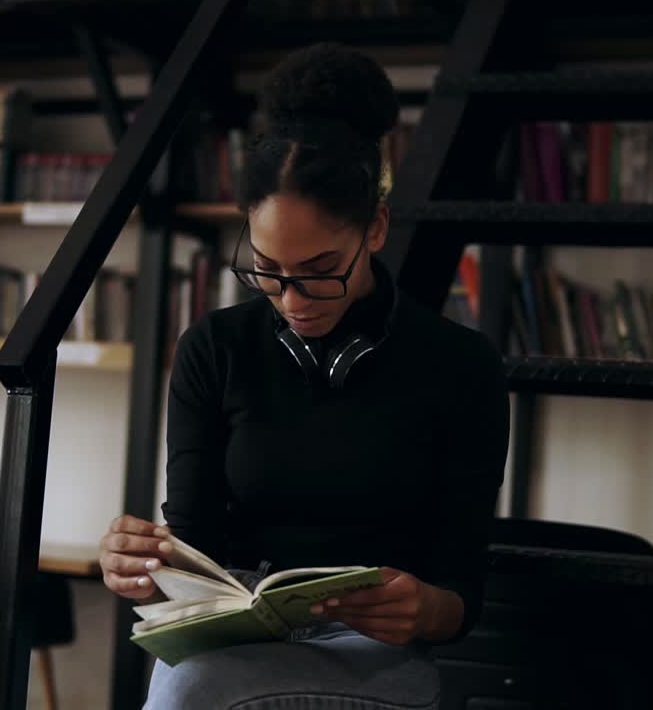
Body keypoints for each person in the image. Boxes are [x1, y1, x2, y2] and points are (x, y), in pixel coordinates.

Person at [99, 42, 510, 709]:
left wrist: (423, 609)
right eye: (267, 270)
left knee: (192, 694)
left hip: (372, 653)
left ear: (374, 229)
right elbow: (194, 543)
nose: (291, 300)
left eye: (320, 271)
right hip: (236, 638)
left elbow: (460, 597)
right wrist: (142, 566)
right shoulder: (214, 349)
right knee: (194, 682)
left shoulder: (461, 366)